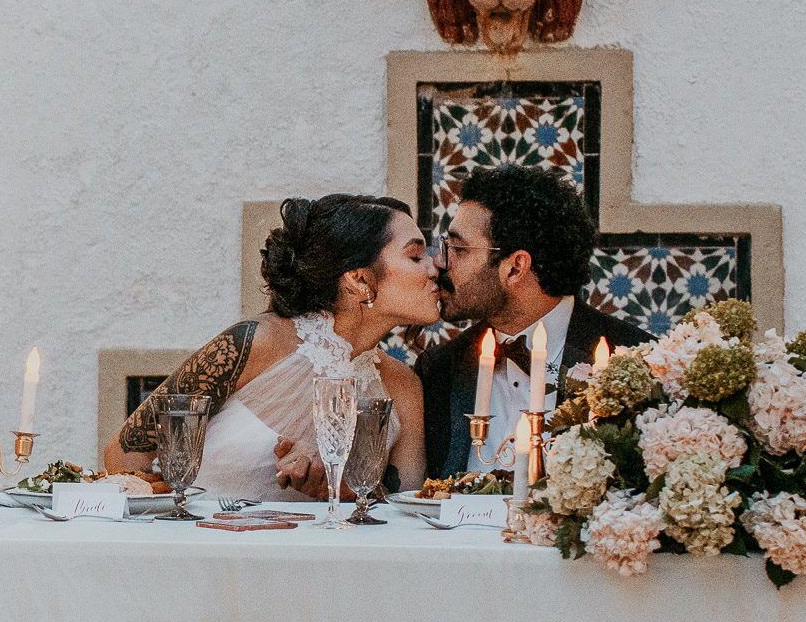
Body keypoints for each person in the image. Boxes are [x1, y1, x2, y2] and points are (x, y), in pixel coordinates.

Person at [103, 194, 439, 499]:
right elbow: (124, 454)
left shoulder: (405, 388)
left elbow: (405, 509)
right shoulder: (251, 342)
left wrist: (344, 491)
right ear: (359, 279)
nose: (435, 266)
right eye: (416, 256)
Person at [416, 166, 646, 480]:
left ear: (515, 267)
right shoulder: (438, 371)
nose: (439, 261)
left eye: (458, 248)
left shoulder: (635, 359)